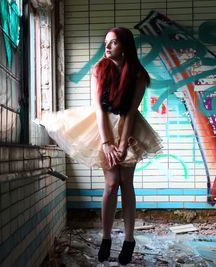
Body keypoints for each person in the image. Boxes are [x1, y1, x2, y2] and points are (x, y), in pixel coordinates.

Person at [39, 27, 162, 265]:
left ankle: (129, 239)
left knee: (127, 183)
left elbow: (130, 113)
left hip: (129, 127)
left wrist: (124, 144)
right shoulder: (99, 69)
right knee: (111, 182)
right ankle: (106, 237)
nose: (107, 47)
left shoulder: (138, 75)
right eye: (106, 42)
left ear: (124, 47)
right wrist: (106, 143)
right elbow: (99, 108)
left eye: (113, 43)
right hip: (102, 125)